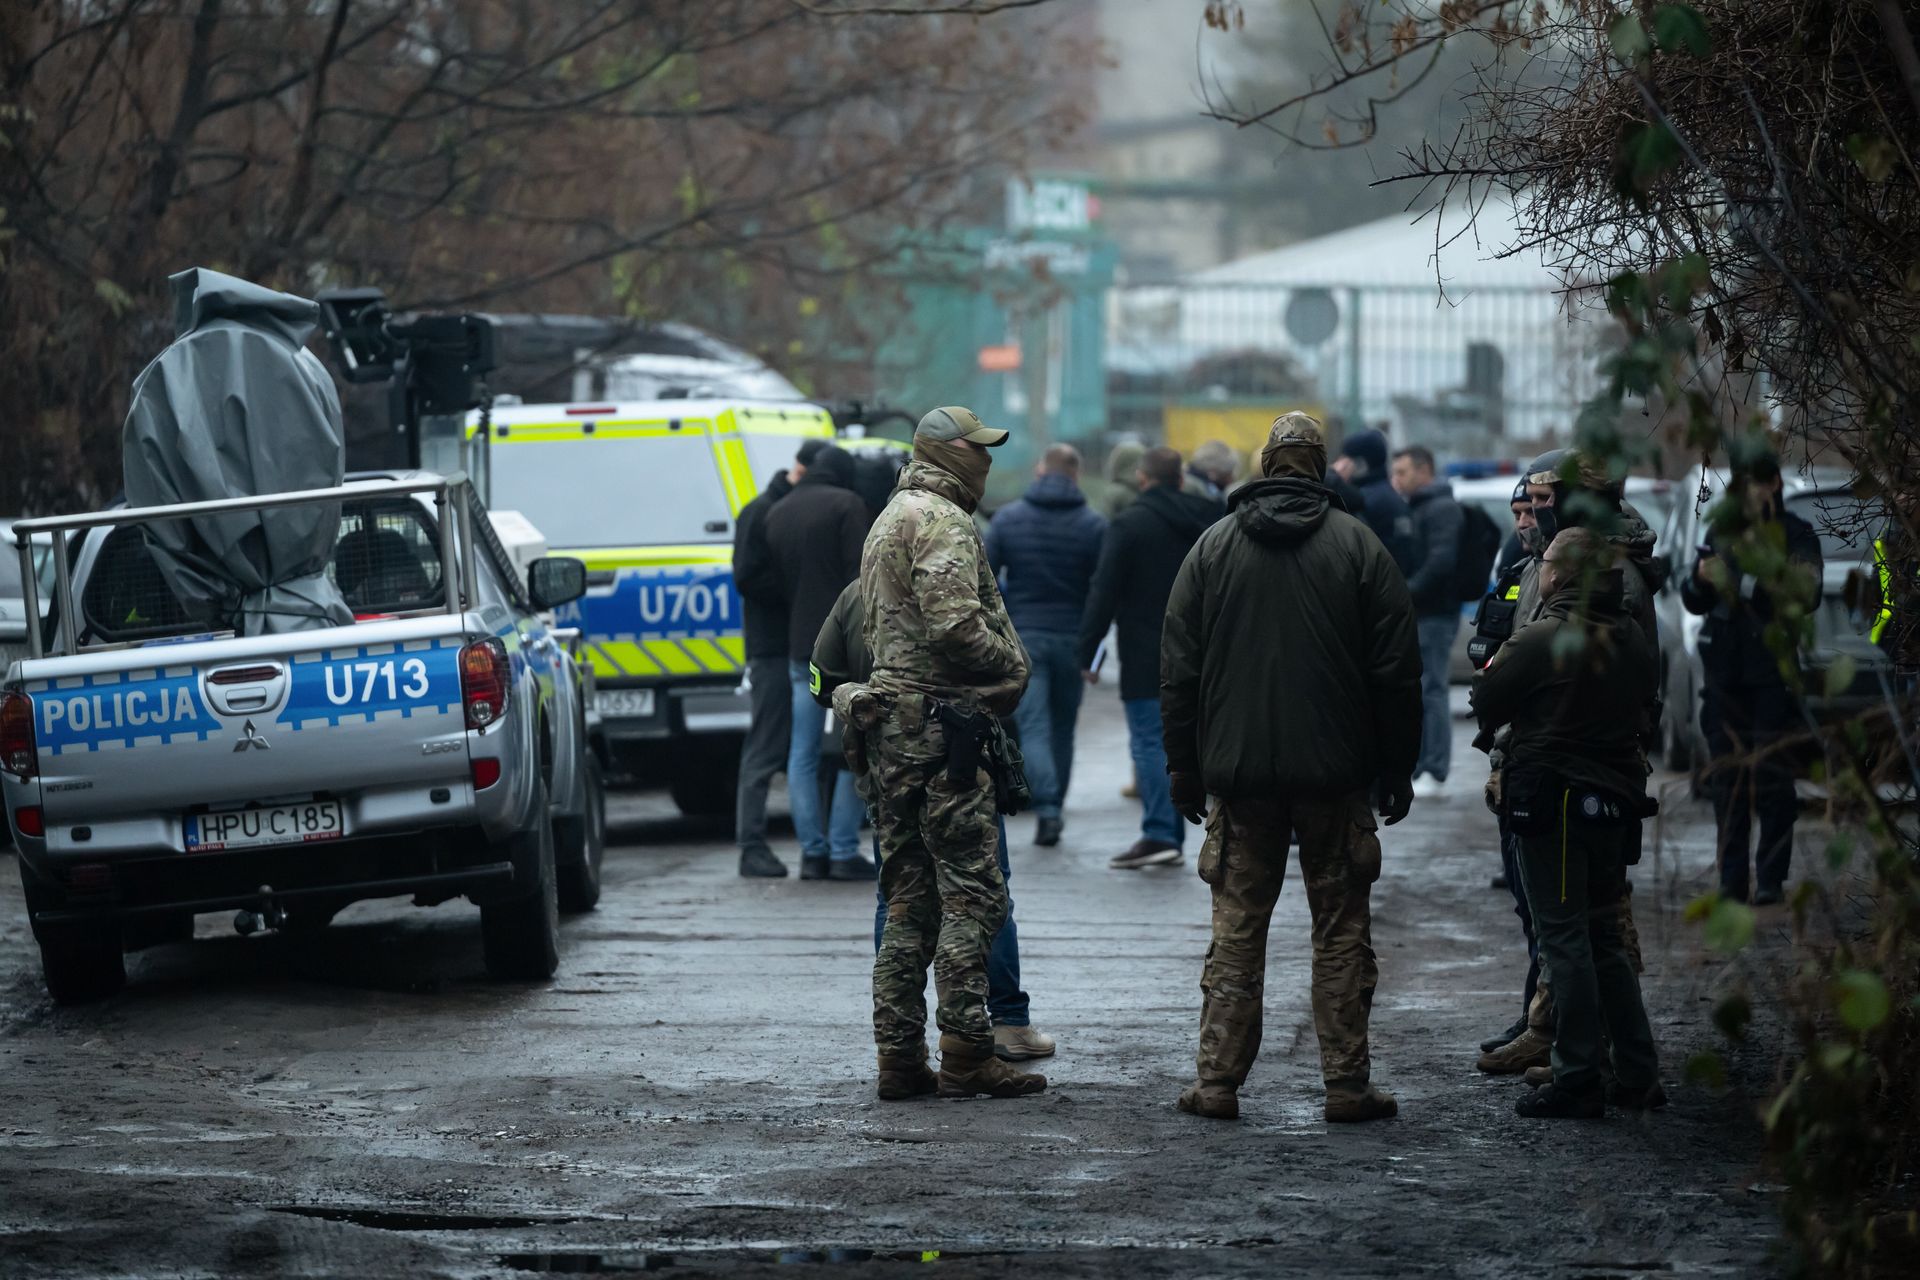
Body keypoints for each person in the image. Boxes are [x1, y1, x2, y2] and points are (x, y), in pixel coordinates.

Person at [1161, 414, 1420, 1124]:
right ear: (1320, 467)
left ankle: (1217, 1083)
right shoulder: (1361, 548)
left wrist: (1183, 768)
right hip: (1336, 779)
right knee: (1339, 928)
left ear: (1267, 465)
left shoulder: (1212, 549)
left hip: (1240, 782)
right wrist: (1397, 767)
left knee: (1238, 926)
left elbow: (1178, 673)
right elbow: (1397, 671)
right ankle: (1345, 1084)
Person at [852, 405, 1043, 1100]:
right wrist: (1010, 663)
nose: (987, 461)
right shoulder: (940, 519)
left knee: (906, 901)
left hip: (893, 732)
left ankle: (899, 1058)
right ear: (946, 452)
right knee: (973, 896)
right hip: (942, 731)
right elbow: (957, 625)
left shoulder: (892, 514)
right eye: (978, 449)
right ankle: (966, 1050)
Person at [811, 580, 1057, 1063]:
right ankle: (1004, 1023)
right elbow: (1011, 670)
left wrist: (868, 705)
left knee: (898, 899)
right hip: (962, 769)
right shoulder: (956, 589)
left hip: (889, 771)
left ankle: (901, 1043)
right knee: (984, 890)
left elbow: (820, 678)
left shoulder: (856, 594)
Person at [1476, 448, 1660, 1076]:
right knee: (1590, 931)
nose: (1534, 519)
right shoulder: (1605, 599)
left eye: (1545, 503)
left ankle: (1578, 1059)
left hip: (1561, 779)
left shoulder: (1593, 601)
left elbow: (1502, 687)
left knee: (1572, 931)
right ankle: (1622, 1062)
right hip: (1593, 774)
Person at [1680, 453, 1821, 906]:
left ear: (1774, 484)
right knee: (1728, 782)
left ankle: (1770, 877)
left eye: (1756, 485)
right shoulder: (1722, 533)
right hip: (1723, 677)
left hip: (1772, 677)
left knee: (1773, 779)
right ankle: (1731, 879)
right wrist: (1701, 581)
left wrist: (1739, 581)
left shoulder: (1795, 534)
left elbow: (1806, 592)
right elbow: (1694, 597)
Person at [1075, 446, 1224, 870]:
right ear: (1180, 478)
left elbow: (1104, 591)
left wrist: (1089, 650)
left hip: (1146, 652)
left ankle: (1161, 832)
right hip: (1208, 649)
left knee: (1149, 740)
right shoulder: (1214, 520)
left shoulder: (1129, 525)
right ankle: (1225, 832)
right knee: (1205, 739)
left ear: (1142, 479)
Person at [984, 444, 1106, 847]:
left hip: (1025, 637)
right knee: (1064, 727)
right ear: (1076, 474)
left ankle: (1047, 808)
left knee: (1033, 725)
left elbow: (985, 580)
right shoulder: (1093, 525)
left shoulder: (1008, 519)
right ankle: (1057, 803)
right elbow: (1100, 590)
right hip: (1073, 637)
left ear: (1040, 471)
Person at [764, 443, 874, 881]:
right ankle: (844, 849)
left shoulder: (779, 512)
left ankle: (812, 853)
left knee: (803, 753)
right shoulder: (847, 505)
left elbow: (775, 582)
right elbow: (860, 580)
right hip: (844, 645)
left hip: (798, 647)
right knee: (855, 747)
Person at [731, 439, 825, 878]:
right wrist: (798, 590)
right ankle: (751, 846)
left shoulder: (777, 507)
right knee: (765, 749)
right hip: (772, 647)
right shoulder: (762, 510)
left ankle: (759, 845)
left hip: (786, 643)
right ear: (803, 471)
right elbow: (747, 577)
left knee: (788, 747)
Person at [1391, 446, 1466, 796]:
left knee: (1432, 689)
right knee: (1422, 689)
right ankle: (1424, 765)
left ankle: (1435, 770)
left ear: (1425, 471)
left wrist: (1405, 591)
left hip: (1434, 613)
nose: (1397, 480)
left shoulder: (1440, 509)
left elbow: (1440, 561)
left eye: (1403, 472)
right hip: (1424, 612)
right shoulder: (1420, 507)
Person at [1332, 427, 1417, 575]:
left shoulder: (1363, 500)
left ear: (1360, 464)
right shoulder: (1388, 495)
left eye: (1345, 460)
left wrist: (1334, 479)